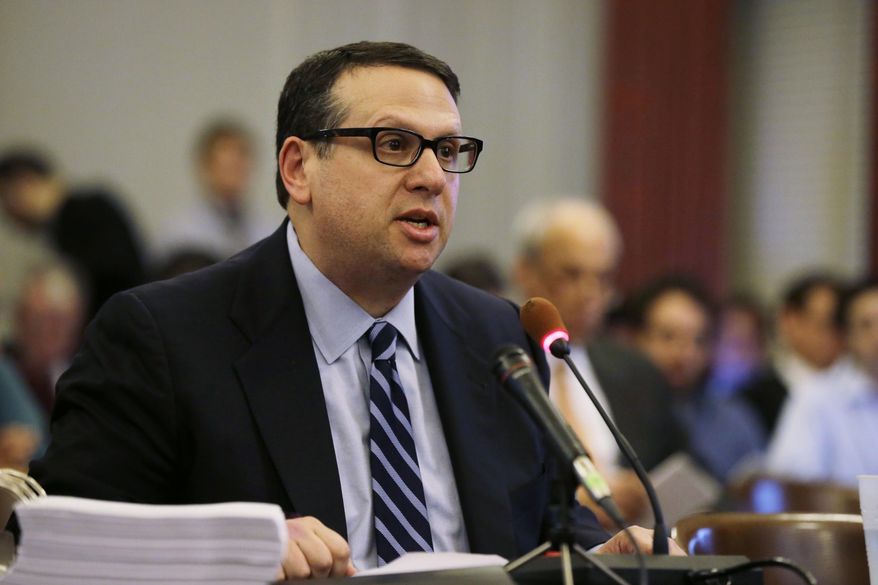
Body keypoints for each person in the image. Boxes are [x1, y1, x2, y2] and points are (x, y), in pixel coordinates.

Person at [29, 42, 680, 580]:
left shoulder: (499, 337)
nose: (431, 176)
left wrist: (609, 557)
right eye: (394, 144)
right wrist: (230, 549)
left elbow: (560, 535)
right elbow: (63, 547)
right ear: (298, 168)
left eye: (448, 151)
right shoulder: (162, 337)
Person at [512, 199, 685, 525]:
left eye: (603, 278)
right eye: (572, 274)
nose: (590, 293)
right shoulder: (492, 362)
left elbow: (680, 468)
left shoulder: (636, 372)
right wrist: (576, 501)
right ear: (525, 272)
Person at [630, 276, 765, 482]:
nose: (684, 354)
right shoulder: (611, 410)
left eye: (698, 340)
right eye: (668, 337)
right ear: (637, 338)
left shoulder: (734, 421)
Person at [0, 150, 146, 320]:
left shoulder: (89, 210)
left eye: (5, 196)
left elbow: (111, 276)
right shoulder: (59, 227)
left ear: (26, 182)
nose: (7, 211)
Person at [764, 277, 878, 486]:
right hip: (844, 515)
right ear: (848, 336)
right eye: (866, 325)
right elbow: (794, 484)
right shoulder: (816, 396)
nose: (877, 336)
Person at [740, 273, 845, 436]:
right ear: (789, 321)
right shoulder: (751, 400)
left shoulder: (858, 393)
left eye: (843, 325)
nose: (836, 335)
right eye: (827, 323)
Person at [156, 118, 275, 262]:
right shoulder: (179, 234)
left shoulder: (268, 230)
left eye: (239, 166)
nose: (235, 173)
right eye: (227, 167)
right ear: (206, 167)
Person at [3, 264, 87, 418]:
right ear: (19, 319)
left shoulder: (83, 381)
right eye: (37, 323)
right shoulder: (5, 370)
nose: (46, 334)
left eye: (58, 326)